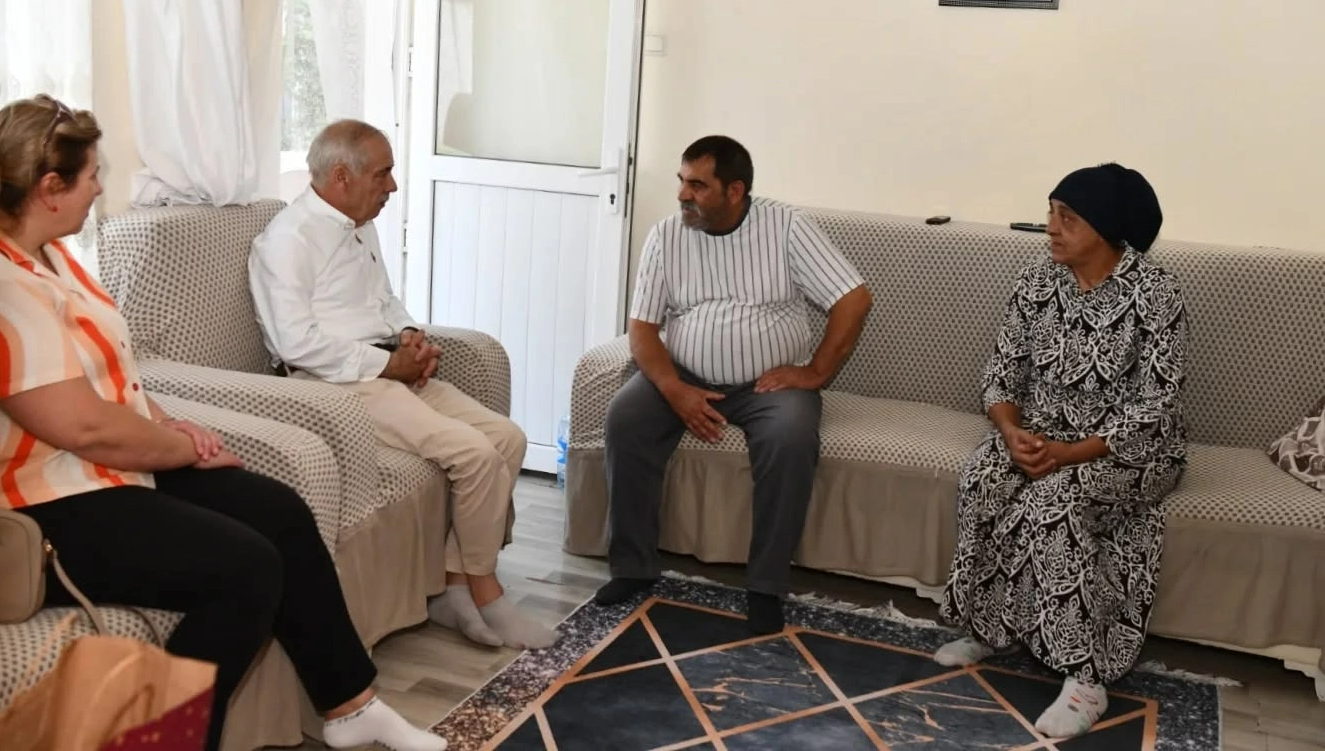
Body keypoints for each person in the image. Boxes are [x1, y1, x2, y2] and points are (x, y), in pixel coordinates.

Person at [0, 96, 445, 751]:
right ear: (49, 188)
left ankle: (350, 705)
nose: (99, 188)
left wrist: (175, 429)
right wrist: (175, 448)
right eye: (92, 175)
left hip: (88, 475)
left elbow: (112, 379)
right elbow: (83, 427)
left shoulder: (42, 255)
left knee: (278, 511)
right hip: (26, 510)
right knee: (245, 570)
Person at [248, 120, 557, 652]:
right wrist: (388, 365)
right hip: (336, 387)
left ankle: (455, 589)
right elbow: (294, 344)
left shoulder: (359, 223)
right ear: (341, 176)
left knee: (507, 438)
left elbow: (383, 300)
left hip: (387, 370)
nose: (392, 186)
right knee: (474, 454)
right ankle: (489, 595)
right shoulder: (287, 241)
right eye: (383, 173)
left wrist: (409, 334)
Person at [935, 163, 1188, 740]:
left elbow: (1156, 406)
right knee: (983, 478)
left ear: (1107, 227)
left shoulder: (1157, 293)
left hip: (1132, 449)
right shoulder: (1035, 282)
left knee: (1052, 502)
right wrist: (1010, 433)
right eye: (1051, 213)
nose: (1051, 227)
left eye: (1067, 217)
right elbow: (1001, 374)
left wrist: (1069, 453)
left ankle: (1087, 679)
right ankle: (991, 629)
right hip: (1043, 434)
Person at [591, 136, 873, 634]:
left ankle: (765, 586)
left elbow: (853, 298)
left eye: (698, 185)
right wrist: (675, 390)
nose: (683, 194)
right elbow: (642, 330)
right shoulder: (666, 236)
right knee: (625, 419)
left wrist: (815, 373)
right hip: (682, 372)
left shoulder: (786, 227)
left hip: (769, 385)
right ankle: (632, 568)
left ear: (735, 190)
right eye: (682, 181)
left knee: (790, 439)